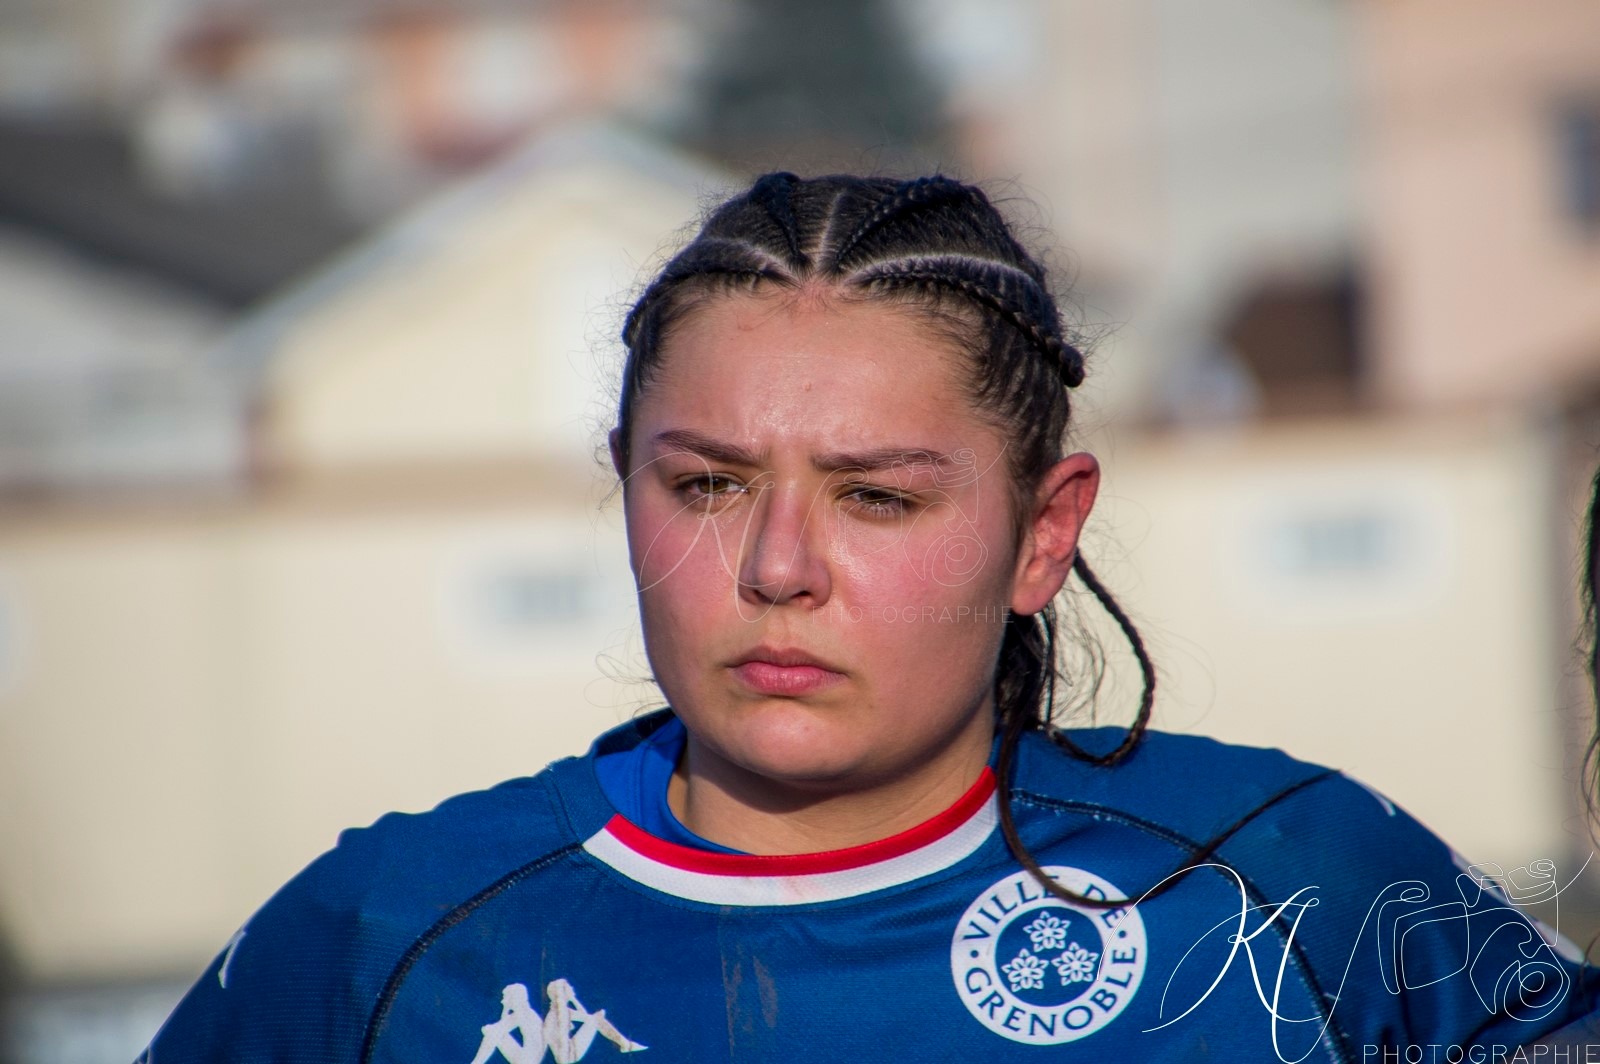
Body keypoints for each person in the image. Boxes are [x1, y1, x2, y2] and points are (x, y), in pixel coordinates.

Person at [139, 173, 1598, 1063]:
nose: (779, 565)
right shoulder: (383, 942)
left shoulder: (1292, 886)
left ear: (1043, 534)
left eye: (878, 498)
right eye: (707, 483)